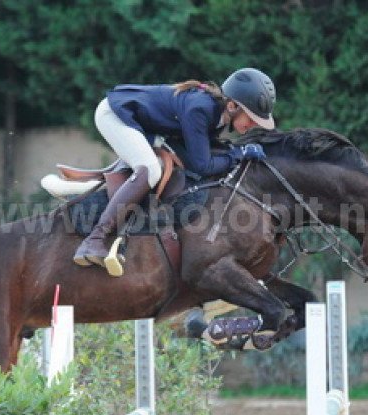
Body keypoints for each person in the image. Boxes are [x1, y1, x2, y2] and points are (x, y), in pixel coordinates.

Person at [73, 67, 277, 275]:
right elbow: (202, 165)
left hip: (141, 124)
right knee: (151, 170)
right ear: (232, 105)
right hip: (116, 115)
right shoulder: (202, 109)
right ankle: (94, 240)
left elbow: (193, 157)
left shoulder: (216, 117)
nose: (253, 125)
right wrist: (238, 154)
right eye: (251, 118)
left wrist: (235, 152)